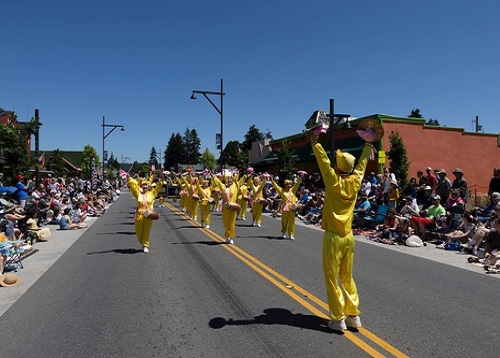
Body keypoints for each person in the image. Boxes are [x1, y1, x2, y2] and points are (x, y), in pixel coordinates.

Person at [308, 127, 375, 332]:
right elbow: (363, 164)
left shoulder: (333, 181)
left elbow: (323, 163)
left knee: (332, 277)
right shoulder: (355, 181)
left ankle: (338, 319)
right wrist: (368, 144)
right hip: (349, 236)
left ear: (337, 167)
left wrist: (315, 142)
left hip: (334, 237)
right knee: (347, 277)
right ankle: (353, 315)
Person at [126, 173, 165, 253]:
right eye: (143, 185)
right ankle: (142, 242)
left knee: (147, 230)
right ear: (141, 186)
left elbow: (159, 187)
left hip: (148, 214)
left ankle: (145, 245)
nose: (145, 186)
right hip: (139, 215)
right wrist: (129, 179)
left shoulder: (152, 193)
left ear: (149, 186)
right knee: (138, 230)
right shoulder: (138, 193)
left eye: (147, 185)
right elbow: (133, 187)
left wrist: (162, 179)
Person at [211, 170, 247, 244]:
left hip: (233, 207)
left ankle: (231, 237)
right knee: (225, 222)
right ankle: (227, 235)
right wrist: (213, 176)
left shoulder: (235, 186)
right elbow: (218, 182)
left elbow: (241, 180)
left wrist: (246, 175)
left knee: (232, 222)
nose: (229, 180)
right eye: (228, 179)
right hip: (225, 206)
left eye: (231, 179)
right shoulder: (223, 186)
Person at [270, 173, 303, 240]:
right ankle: (283, 232)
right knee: (284, 221)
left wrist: (300, 177)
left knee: (291, 222)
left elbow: (297, 184)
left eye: (290, 184)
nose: (289, 186)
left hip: (292, 208)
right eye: (287, 184)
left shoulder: (293, 190)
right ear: (285, 185)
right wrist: (272, 180)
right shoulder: (282, 190)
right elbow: (275, 186)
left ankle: (291, 234)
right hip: (285, 207)